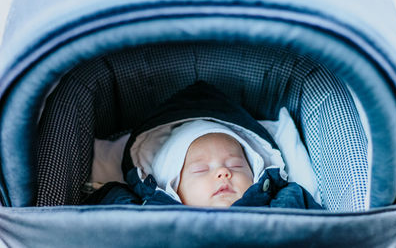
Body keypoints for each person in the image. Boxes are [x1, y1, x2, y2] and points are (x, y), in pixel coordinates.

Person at [83, 81, 322, 209]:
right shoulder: (148, 212)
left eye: (237, 165)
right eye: (200, 169)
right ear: (172, 186)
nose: (223, 172)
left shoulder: (280, 204)